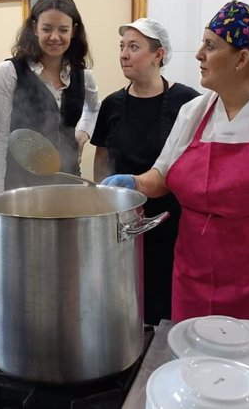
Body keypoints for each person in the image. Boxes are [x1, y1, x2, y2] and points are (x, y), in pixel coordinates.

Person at [102, 0, 249, 327]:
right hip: (193, 276)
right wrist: (134, 183)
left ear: (242, 58)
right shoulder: (193, 112)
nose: (198, 54)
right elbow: (161, 176)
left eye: (210, 46)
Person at [91, 18, 199, 325]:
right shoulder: (112, 104)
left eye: (134, 47)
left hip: (171, 224)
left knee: (167, 306)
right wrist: (102, 197)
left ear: (158, 55)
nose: (124, 54)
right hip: (123, 224)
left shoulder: (187, 101)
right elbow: (102, 157)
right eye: (122, 47)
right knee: (125, 305)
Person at [0, 0, 100, 195]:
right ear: (34, 27)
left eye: (63, 30)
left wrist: (82, 134)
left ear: (73, 31)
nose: (55, 37)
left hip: (68, 184)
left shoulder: (83, 75)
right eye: (47, 28)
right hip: (20, 188)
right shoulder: (10, 72)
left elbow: (93, 109)